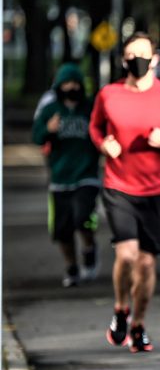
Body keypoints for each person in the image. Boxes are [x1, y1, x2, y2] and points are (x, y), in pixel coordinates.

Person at [89, 32, 160, 353]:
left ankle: (138, 324)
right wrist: (103, 144)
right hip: (119, 186)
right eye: (131, 55)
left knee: (146, 264)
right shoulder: (109, 94)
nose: (138, 60)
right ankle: (121, 308)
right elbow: (95, 127)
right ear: (123, 60)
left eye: (144, 55)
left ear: (155, 59)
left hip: (155, 189)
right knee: (127, 255)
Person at [32, 62, 101, 287]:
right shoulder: (50, 110)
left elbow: (103, 134)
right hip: (60, 178)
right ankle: (72, 267)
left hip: (86, 176)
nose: (70, 87)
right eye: (66, 83)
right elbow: (37, 137)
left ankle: (89, 249)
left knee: (83, 218)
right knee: (63, 230)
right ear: (59, 86)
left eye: (74, 83)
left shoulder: (90, 108)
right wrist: (48, 131)